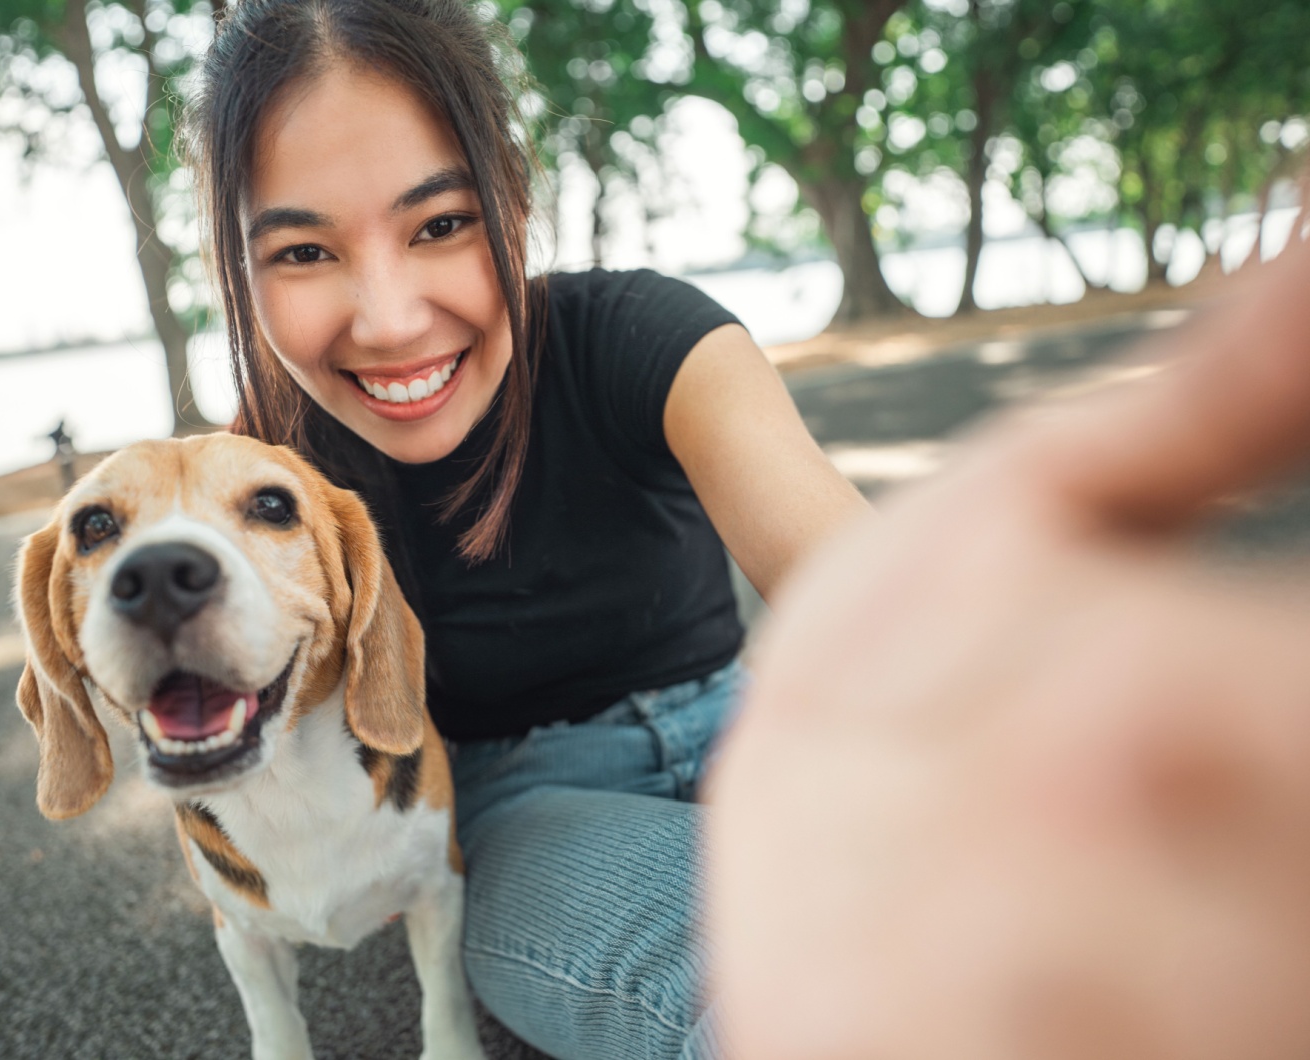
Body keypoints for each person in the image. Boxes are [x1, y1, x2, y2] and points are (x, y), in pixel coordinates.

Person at [184, 1, 867, 1056]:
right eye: (305, 251)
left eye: (441, 224)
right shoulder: (260, 488)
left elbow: (873, 591)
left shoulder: (646, 337)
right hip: (517, 813)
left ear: (512, 189)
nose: (392, 317)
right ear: (233, 259)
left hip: (761, 736)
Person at [706, 240, 1310, 1059]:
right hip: (532, 799)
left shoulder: (649, 332)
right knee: (708, 964)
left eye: (460, 222)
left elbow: (859, 603)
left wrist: (913, 663)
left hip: (725, 710)